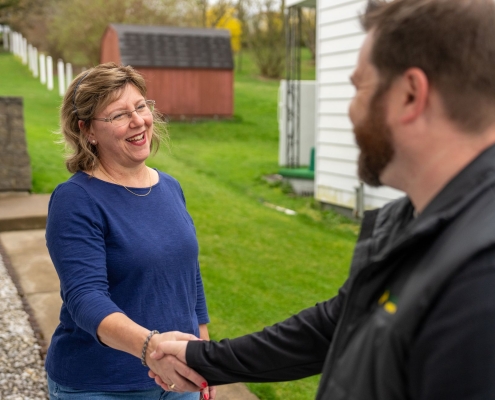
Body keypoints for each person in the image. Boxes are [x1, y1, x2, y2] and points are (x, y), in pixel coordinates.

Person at [147, 0, 495, 399]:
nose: (351, 110)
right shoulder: (417, 220)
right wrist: (203, 358)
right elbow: (334, 325)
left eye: (359, 86)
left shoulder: (480, 280)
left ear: (411, 96)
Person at [45, 62, 215, 400]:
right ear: (88, 130)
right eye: (119, 115)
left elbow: (188, 275)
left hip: (178, 378)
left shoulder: (169, 186)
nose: (138, 121)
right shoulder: (76, 200)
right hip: (102, 385)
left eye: (141, 107)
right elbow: (85, 298)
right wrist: (152, 348)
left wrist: (203, 355)